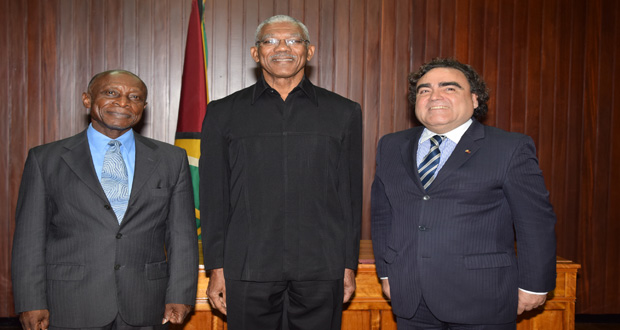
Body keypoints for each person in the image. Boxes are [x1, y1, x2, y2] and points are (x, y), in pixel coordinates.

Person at [200, 14, 362, 330]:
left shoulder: (343, 112)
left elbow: (350, 196)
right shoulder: (223, 112)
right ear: (255, 53)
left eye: (293, 40)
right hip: (248, 266)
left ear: (309, 51)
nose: (282, 48)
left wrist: (347, 265)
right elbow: (213, 196)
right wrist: (216, 267)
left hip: (320, 266)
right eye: (271, 41)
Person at [370, 58, 557, 329]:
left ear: (475, 99)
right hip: (411, 297)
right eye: (424, 90)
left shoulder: (510, 148)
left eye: (449, 88)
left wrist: (535, 285)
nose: (435, 96)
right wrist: (386, 274)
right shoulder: (391, 145)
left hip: (482, 298)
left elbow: (535, 222)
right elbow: (382, 216)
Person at [12, 70, 198, 330]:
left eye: (134, 97)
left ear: (142, 107)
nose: (123, 102)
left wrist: (180, 293)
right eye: (111, 93)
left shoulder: (171, 159)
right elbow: (28, 238)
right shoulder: (46, 159)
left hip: (146, 304)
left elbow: (182, 235)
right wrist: (29, 300)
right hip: (69, 304)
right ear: (87, 99)